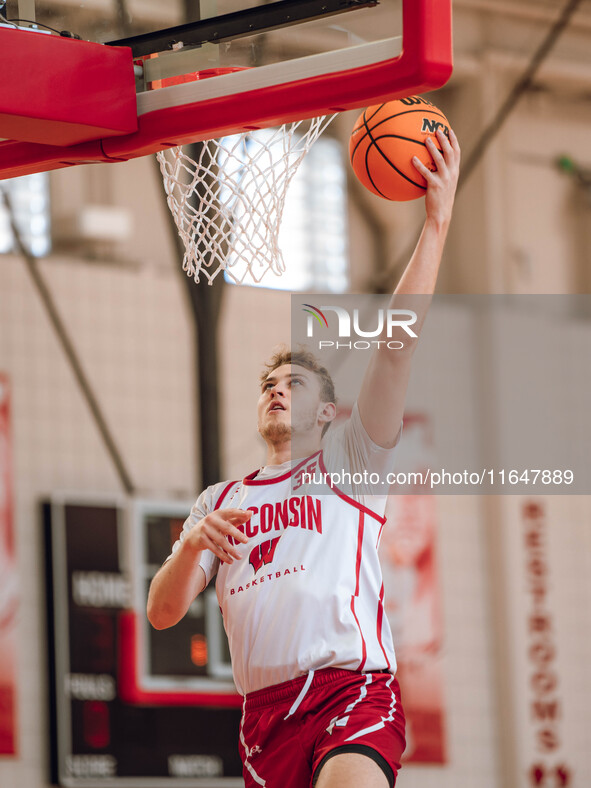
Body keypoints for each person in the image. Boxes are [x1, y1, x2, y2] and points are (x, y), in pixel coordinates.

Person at [147, 127, 461, 788]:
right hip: (264, 720)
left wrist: (435, 224)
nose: (274, 391)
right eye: (267, 385)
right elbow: (162, 613)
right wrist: (186, 546)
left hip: (350, 693)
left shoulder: (349, 462)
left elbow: (397, 346)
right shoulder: (220, 501)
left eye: (292, 384)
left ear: (326, 412)